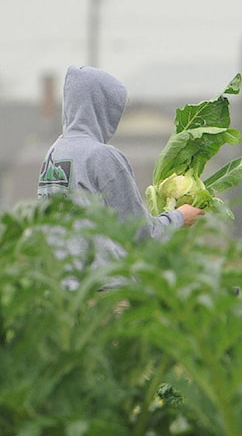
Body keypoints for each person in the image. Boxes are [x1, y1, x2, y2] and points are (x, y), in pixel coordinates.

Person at [37, 65, 204, 281]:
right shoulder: (101, 156)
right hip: (103, 292)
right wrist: (180, 217)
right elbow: (139, 232)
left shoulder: (54, 153)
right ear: (102, 108)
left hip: (59, 288)